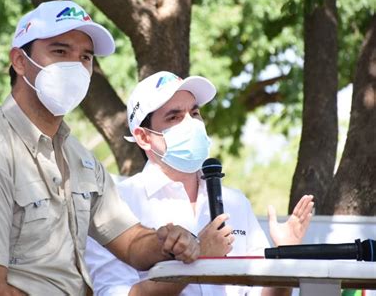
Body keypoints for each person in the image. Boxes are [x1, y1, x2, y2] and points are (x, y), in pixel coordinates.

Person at [0, 1, 200, 296]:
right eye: (60, 51)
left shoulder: (78, 159)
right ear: (19, 60)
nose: (75, 66)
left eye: (85, 57)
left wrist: (168, 242)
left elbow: (131, 242)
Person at [85, 71, 315, 296]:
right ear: (144, 137)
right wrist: (198, 257)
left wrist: (286, 256)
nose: (191, 124)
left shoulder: (235, 202)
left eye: (194, 114)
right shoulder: (116, 204)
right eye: (174, 117)